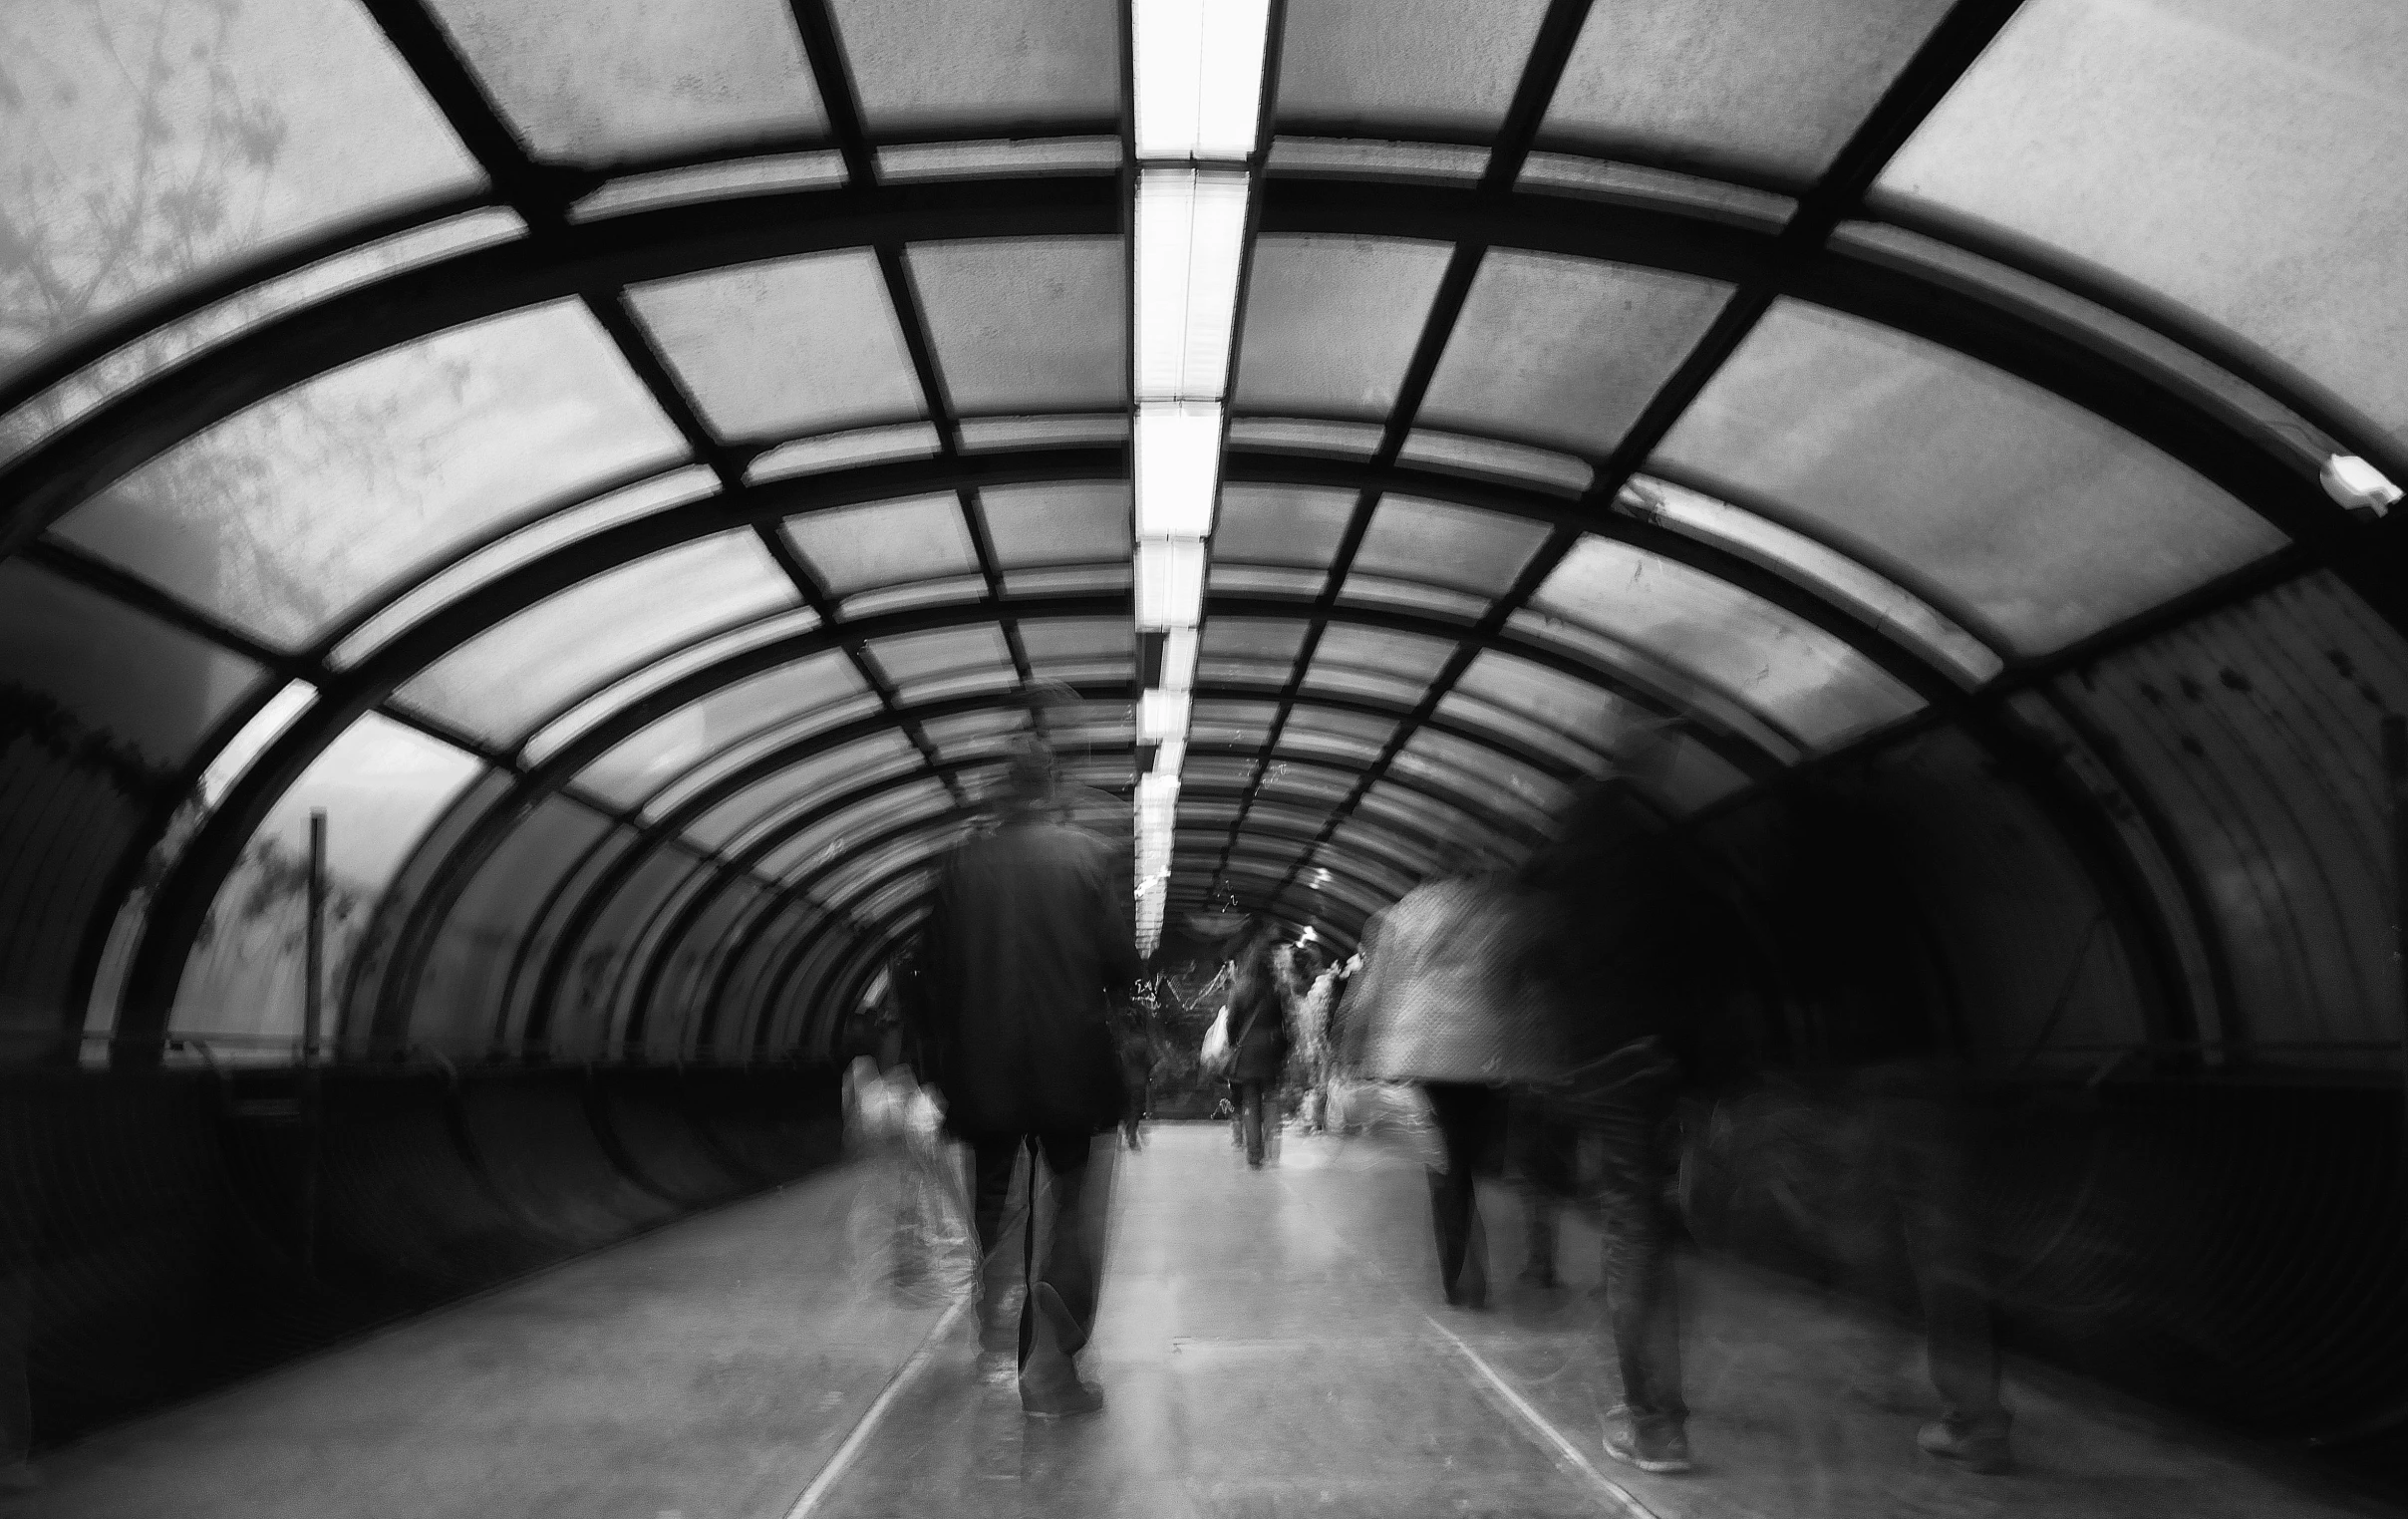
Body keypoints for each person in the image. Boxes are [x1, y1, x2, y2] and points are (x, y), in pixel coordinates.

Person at [916, 733, 1139, 1418]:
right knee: (1070, 1209)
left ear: (1001, 792)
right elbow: (1121, 965)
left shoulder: (960, 864)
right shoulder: (1089, 857)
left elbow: (931, 971)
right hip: (1071, 1064)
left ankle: (991, 1330)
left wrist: (937, 1060)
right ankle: (1049, 1361)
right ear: (1053, 790)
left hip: (982, 1069)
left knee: (992, 1200)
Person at [1341, 858, 1569, 1311]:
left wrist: (1352, 1044)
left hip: (1428, 1055)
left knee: (1446, 1171)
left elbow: (1374, 988)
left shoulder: (1406, 913)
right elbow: (1519, 974)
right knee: (1479, 1159)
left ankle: (1464, 1281)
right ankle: (1503, 1247)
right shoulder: (1499, 910)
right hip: (1486, 1055)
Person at [1224, 924, 1292, 1168]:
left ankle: (1254, 1154)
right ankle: (1272, 1146)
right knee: (1271, 1097)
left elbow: (1231, 1023)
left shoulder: (1240, 987)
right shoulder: (1275, 989)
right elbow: (1284, 1022)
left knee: (1250, 1101)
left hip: (1248, 1051)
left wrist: (1234, 1044)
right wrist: (1283, 1049)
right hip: (1271, 1050)